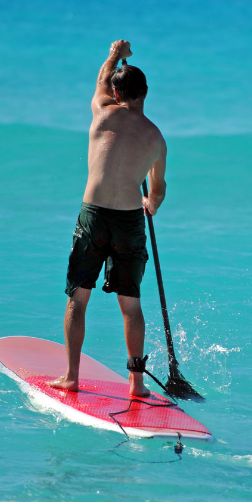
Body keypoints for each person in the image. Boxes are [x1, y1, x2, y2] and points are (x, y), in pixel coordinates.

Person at [48, 40, 167, 398]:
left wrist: (116, 54)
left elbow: (102, 79)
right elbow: (158, 192)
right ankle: (137, 383)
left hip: (94, 216)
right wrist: (150, 202)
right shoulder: (157, 139)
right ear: (145, 93)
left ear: (116, 93)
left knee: (77, 300)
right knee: (131, 306)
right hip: (130, 220)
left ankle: (71, 376)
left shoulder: (102, 113)